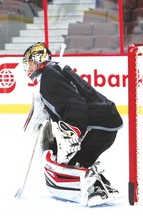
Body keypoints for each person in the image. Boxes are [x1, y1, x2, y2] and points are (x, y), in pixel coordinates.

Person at [22, 42, 123, 206]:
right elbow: (70, 100)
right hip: (104, 119)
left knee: (73, 165)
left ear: (39, 59)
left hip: (101, 124)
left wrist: (73, 129)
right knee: (79, 160)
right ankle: (100, 183)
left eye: (31, 62)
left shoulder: (50, 76)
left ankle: (97, 189)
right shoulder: (53, 71)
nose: (29, 67)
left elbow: (74, 104)